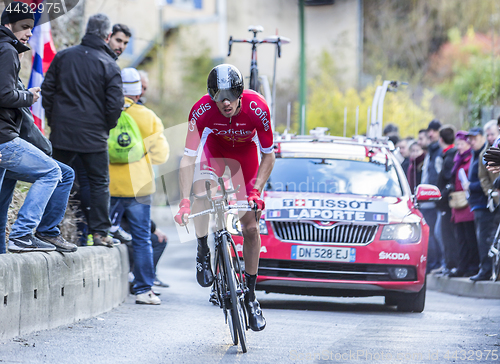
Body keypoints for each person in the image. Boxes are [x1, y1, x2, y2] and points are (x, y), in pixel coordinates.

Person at [175, 64, 275, 332]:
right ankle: (202, 250)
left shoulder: (258, 108)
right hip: (215, 153)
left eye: (231, 95)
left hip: (246, 159)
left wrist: (255, 190)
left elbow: (269, 155)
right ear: (211, 96)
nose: (226, 102)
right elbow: (188, 157)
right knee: (202, 192)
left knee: (251, 227)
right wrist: (184, 200)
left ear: (241, 93)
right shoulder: (202, 110)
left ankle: (252, 298)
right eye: (219, 96)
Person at [42, 13, 123, 247]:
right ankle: (99, 233)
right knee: (98, 183)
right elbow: (115, 105)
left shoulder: (63, 56)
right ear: (108, 36)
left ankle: (46, 228)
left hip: (62, 133)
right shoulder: (109, 65)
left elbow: (48, 91)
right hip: (94, 137)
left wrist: (54, 120)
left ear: (86, 31)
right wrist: (105, 126)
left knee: (54, 178)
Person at [0, 2, 72, 253]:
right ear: (9, 24)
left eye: (32, 27)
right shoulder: (6, 49)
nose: (30, 32)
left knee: (2, 201)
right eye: (25, 26)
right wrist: (29, 97)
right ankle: (21, 235)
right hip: (4, 138)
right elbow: (4, 95)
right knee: (53, 172)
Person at [109, 67, 169, 304]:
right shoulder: (148, 117)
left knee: (102, 233)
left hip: (109, 184)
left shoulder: (106, 111)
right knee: (142, 238)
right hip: (139, 186)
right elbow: (162, 155)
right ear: (137, 91)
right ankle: (144, 289)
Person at [448, 131, 479, 278]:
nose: (459, 146)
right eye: (457, 143)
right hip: (458, 203)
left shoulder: (471, 159)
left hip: (468, 204)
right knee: (460, 238)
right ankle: (463, 266)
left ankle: (472, 266)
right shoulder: (458, 160)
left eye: (461, 143)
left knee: (470, 237)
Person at [466, 127, 494, 281]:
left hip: (486, 203)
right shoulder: (476, 154)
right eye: (470, 138)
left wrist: (470, 186)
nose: (471, 141)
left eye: (475, 138)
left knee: (485, 238)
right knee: (481, 238)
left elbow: (487, 179)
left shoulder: (486, 154)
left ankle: (486, 270)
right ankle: (484, 268)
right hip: (477, 203)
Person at [421, 120, 444, 273]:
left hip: (435, 199)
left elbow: (439, 175)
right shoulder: (431, 151)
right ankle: (434, 263)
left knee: (438, 233)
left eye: (434, 131)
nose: (431, 134)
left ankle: (439, 263)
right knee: (431, 233)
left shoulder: (439, 152)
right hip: (426, 200)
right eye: (430, 130)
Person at [435, 125, 458, 275]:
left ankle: (450, 264)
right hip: (445, 204)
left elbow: (449, 180)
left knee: (446, 235)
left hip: (446, 205)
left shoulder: (449, 158)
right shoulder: (449, 155)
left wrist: (441, 196)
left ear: (441, 139)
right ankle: (448, 264)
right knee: (443, 234)